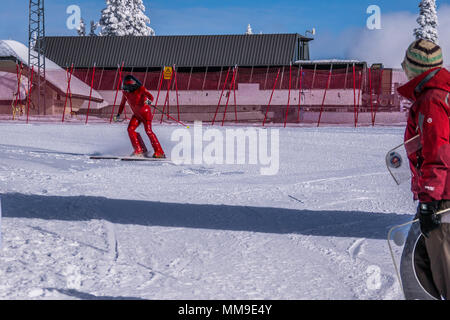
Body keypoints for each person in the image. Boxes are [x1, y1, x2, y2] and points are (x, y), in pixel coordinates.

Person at [397, 39, 450, 299]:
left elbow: (438, 150)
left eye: (406, 63)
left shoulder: (432, 99)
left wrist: (430, 200)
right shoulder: (440, 93)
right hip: (442, 196)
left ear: (415, 68)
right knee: (417, 267)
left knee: (437, 274)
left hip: (443, 201)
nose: (403, 68)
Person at [114, 75, 166, 158]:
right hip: (136, 115)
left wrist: (148, 101)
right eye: (125, 86)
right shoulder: (125, 93)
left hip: (145, 114)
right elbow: (122, 104)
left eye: (127, 86)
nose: (126, 88)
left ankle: (159, 152)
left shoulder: (141, 89)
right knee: (130, 130)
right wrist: (118, 114)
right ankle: (140, 150)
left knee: (148, 131)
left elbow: (150, 96)